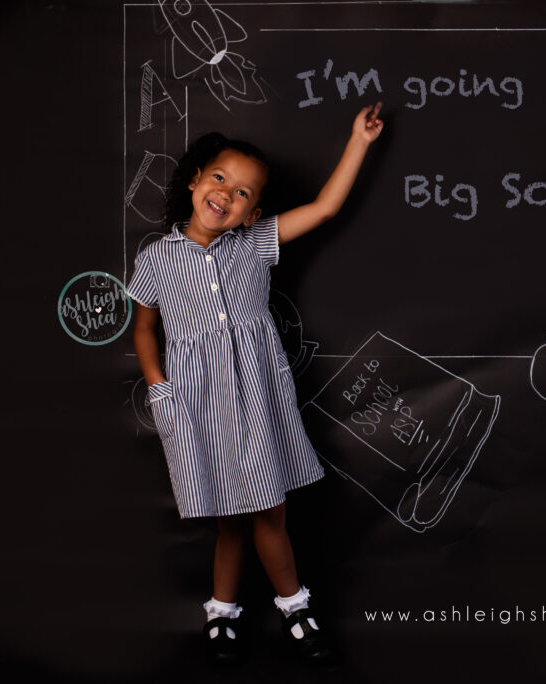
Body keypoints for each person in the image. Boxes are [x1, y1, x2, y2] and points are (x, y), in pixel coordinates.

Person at [125, 103, 384, 666]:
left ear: (251, 213)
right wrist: (158, 385)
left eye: (243, 192)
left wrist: (358, 142)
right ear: (195, 181)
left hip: (258, 394)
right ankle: (222, 610)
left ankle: (294, 604)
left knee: (269, 507)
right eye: (219, 178)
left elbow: (324, 207)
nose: (227, 194)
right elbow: (144, 325)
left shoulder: (254, 244)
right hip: (197, 400)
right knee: (230, 516)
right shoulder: (155, 259)